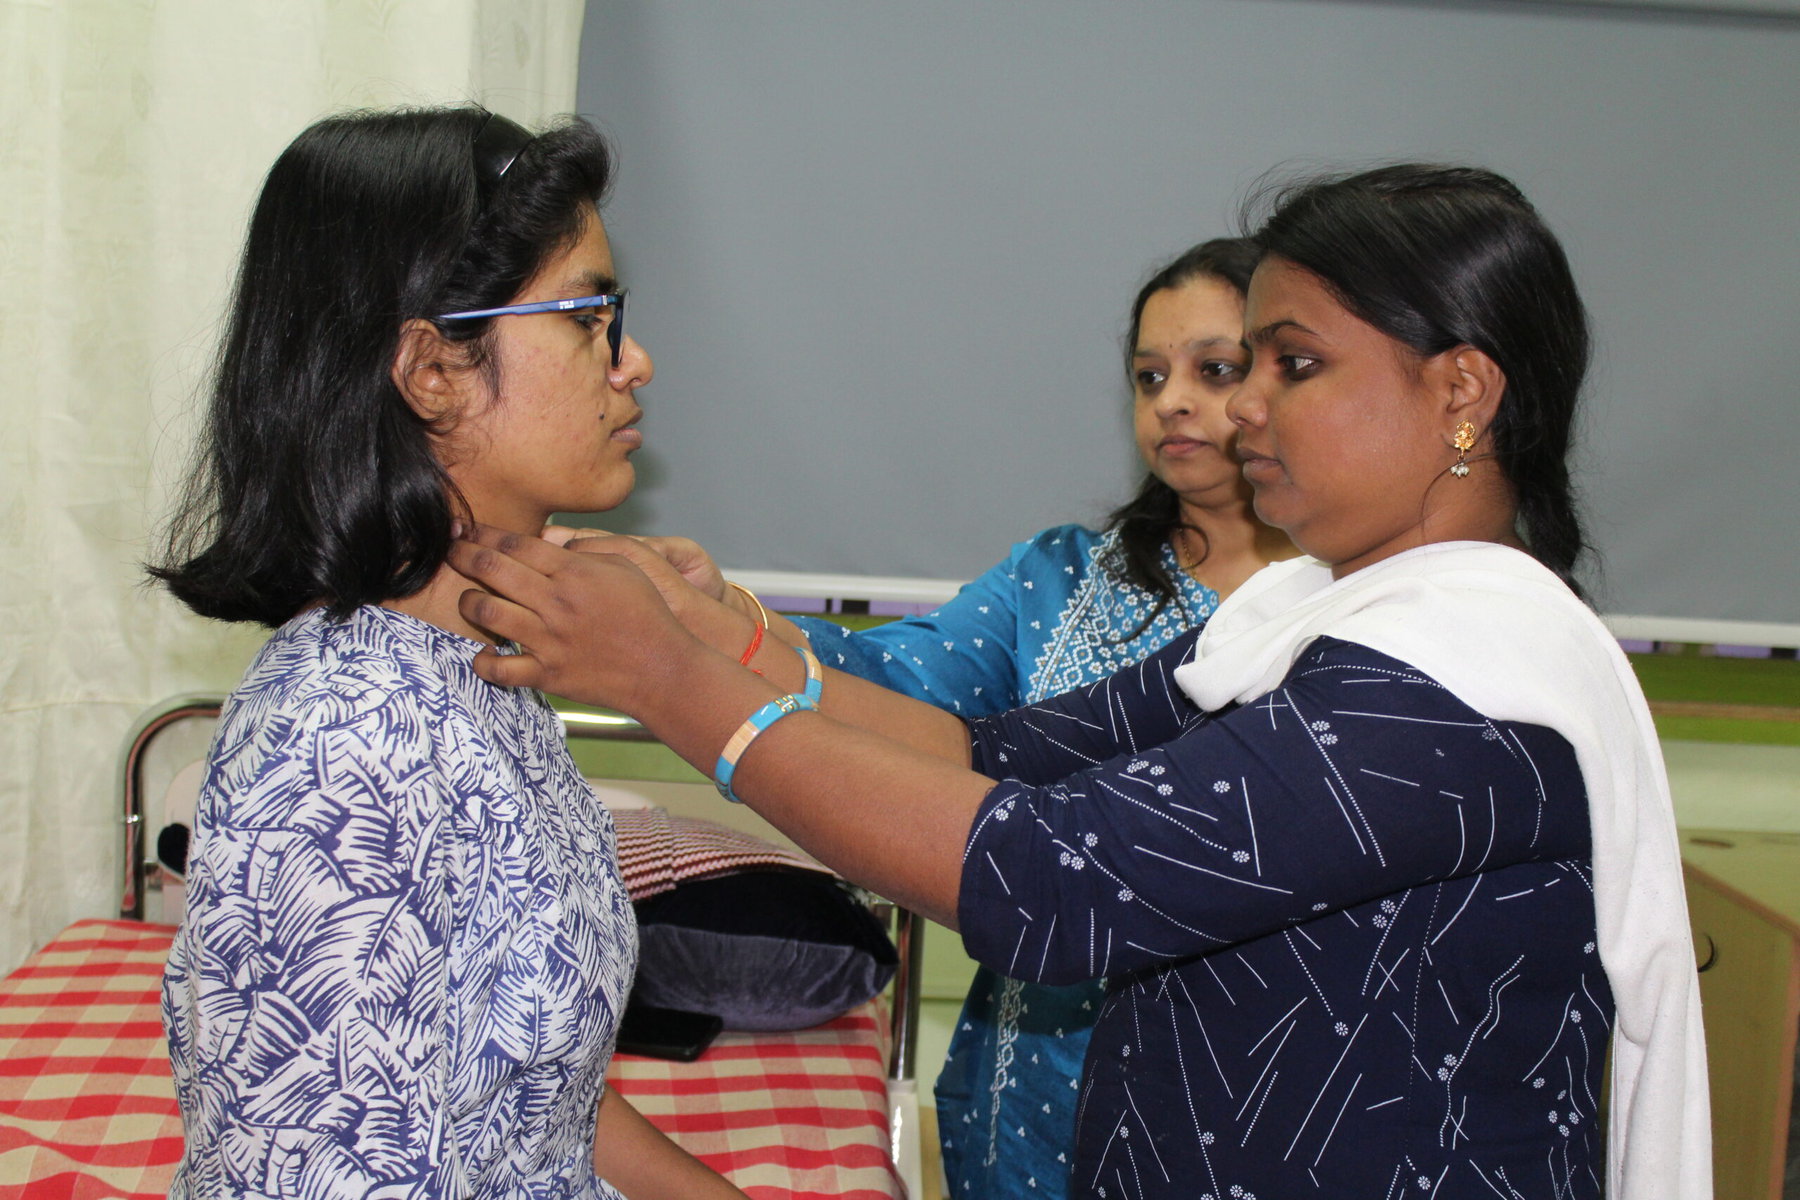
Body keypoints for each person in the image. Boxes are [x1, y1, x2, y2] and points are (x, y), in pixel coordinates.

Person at [447, 164, 1708, 1198]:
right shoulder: (1305, 620)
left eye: (1292, 366)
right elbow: (984, 758)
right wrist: (714, 638)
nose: (1242, 413)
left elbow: (1053, 886)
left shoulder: (1458, 689)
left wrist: (669, 682)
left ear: (1460, 394)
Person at [151, 106, 748, 1199]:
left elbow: (535, 1095)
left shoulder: (480, 664)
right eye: (589, 317)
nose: (634, 359)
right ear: (432, 371)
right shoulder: (337, 757)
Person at [766, 238, 1292, 1199]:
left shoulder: (1349, 616)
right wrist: (718, 619)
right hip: (1031, 1082)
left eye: (1214, 370)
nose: (1172, 399)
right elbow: (892, 677)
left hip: (1251, 1090)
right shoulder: (1061, 577)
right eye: (1149, 375)